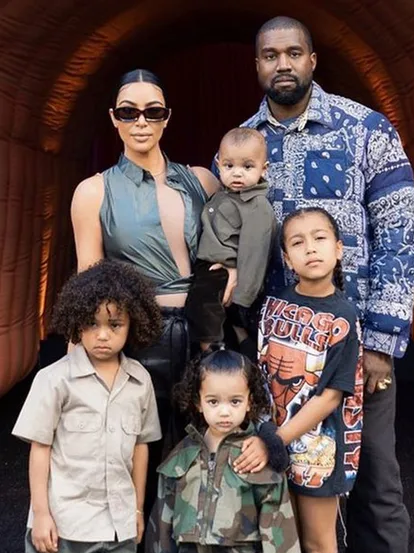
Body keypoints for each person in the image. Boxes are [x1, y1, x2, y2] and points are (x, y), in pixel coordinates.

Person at [229, 16, 414, 552]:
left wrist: (382, 342)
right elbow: (228, 242)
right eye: (271, 56)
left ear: (313, 61)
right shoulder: (245, 145)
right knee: (287, 481)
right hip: (280, 358)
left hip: (356, 348)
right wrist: (243, 338)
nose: (283, 64)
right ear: (258, 66)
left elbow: (401, 235)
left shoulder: (366, 129)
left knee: (375, 483)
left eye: (294, 53)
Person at [69, 68, 278, 522]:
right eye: (129, 111)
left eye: (152, 111)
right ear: (114, 118)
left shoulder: (203, 180)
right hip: (141, 336)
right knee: (133, 456)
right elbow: (87, 288)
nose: (140, 120)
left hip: (207, 330)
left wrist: (238, 270)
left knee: (210, 455)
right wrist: (74, 371)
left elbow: (243, 224)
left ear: (167, 118)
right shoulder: (92, 192)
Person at [13, 260, 164, 553]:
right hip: (65, 526)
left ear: (133, 323)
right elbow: (40, 448)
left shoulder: (140, 381)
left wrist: (136, 511)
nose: (103, 334)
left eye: (114, 324)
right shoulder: (54, 379)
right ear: (76, 320)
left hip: (119, 528)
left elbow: (141, 447)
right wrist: (41, 515)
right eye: (92, 323)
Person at [258, 207, 365, 553]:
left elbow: (331, 397)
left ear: (338, 248)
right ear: (287, 258)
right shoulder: (273, 305)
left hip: (318, 449)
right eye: (298, 243)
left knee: (318, 541)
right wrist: (266, 435)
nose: (311, 249)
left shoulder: (344, 316)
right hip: (271, 437)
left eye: (320, 238)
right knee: (284, 537)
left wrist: (277, 439)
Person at [147, 348, 301, 553]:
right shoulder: (181, 457)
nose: (224, 411)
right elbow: (161, 527)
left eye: (235, 401)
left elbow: (280, 531)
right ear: (198, 403)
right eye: (213, 401)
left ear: (250, 402)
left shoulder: (255, 457)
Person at [185, 128, 276, 354]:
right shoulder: (221, 193)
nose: (237, 174)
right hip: (207, 265)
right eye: (229, 166)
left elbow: (255, 253)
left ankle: (213, 352)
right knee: (200, 308)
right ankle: (224, 341)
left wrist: (241, 300)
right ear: (218, 163)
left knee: (203, 306)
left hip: (225, 270)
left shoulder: (257, 206)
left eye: (247, 167)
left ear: (264, 169)